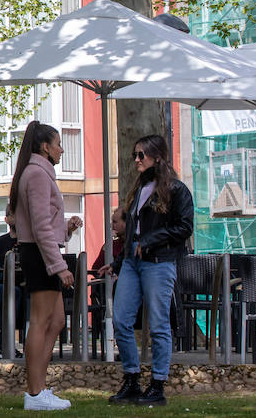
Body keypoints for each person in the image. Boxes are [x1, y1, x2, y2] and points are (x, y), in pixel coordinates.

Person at [108, 134, 193, 407]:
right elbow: (133, 232)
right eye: (135, 155)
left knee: (158, 326)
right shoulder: (139, 189)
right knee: (120, 320)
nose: (136, 160)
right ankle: (132, 378)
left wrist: (151, 241)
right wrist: (119, 262)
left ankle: (157, 385)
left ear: (157, 156)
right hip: (133, 263)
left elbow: (185, 227)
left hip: (159, 262)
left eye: (141, 155)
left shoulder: (177, 190)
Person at [11, 121, 74, 411]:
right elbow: (39, 227)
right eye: (58, 143)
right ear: (45, 147)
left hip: (42, 252)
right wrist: (59, 266)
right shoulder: (36, 174)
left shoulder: (39, 172)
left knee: (57, 320)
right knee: (40, 321)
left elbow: (45, 223)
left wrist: (66, 230)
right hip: (39, 254)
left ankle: (40, 389)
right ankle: (35, 393)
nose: (61, 149)